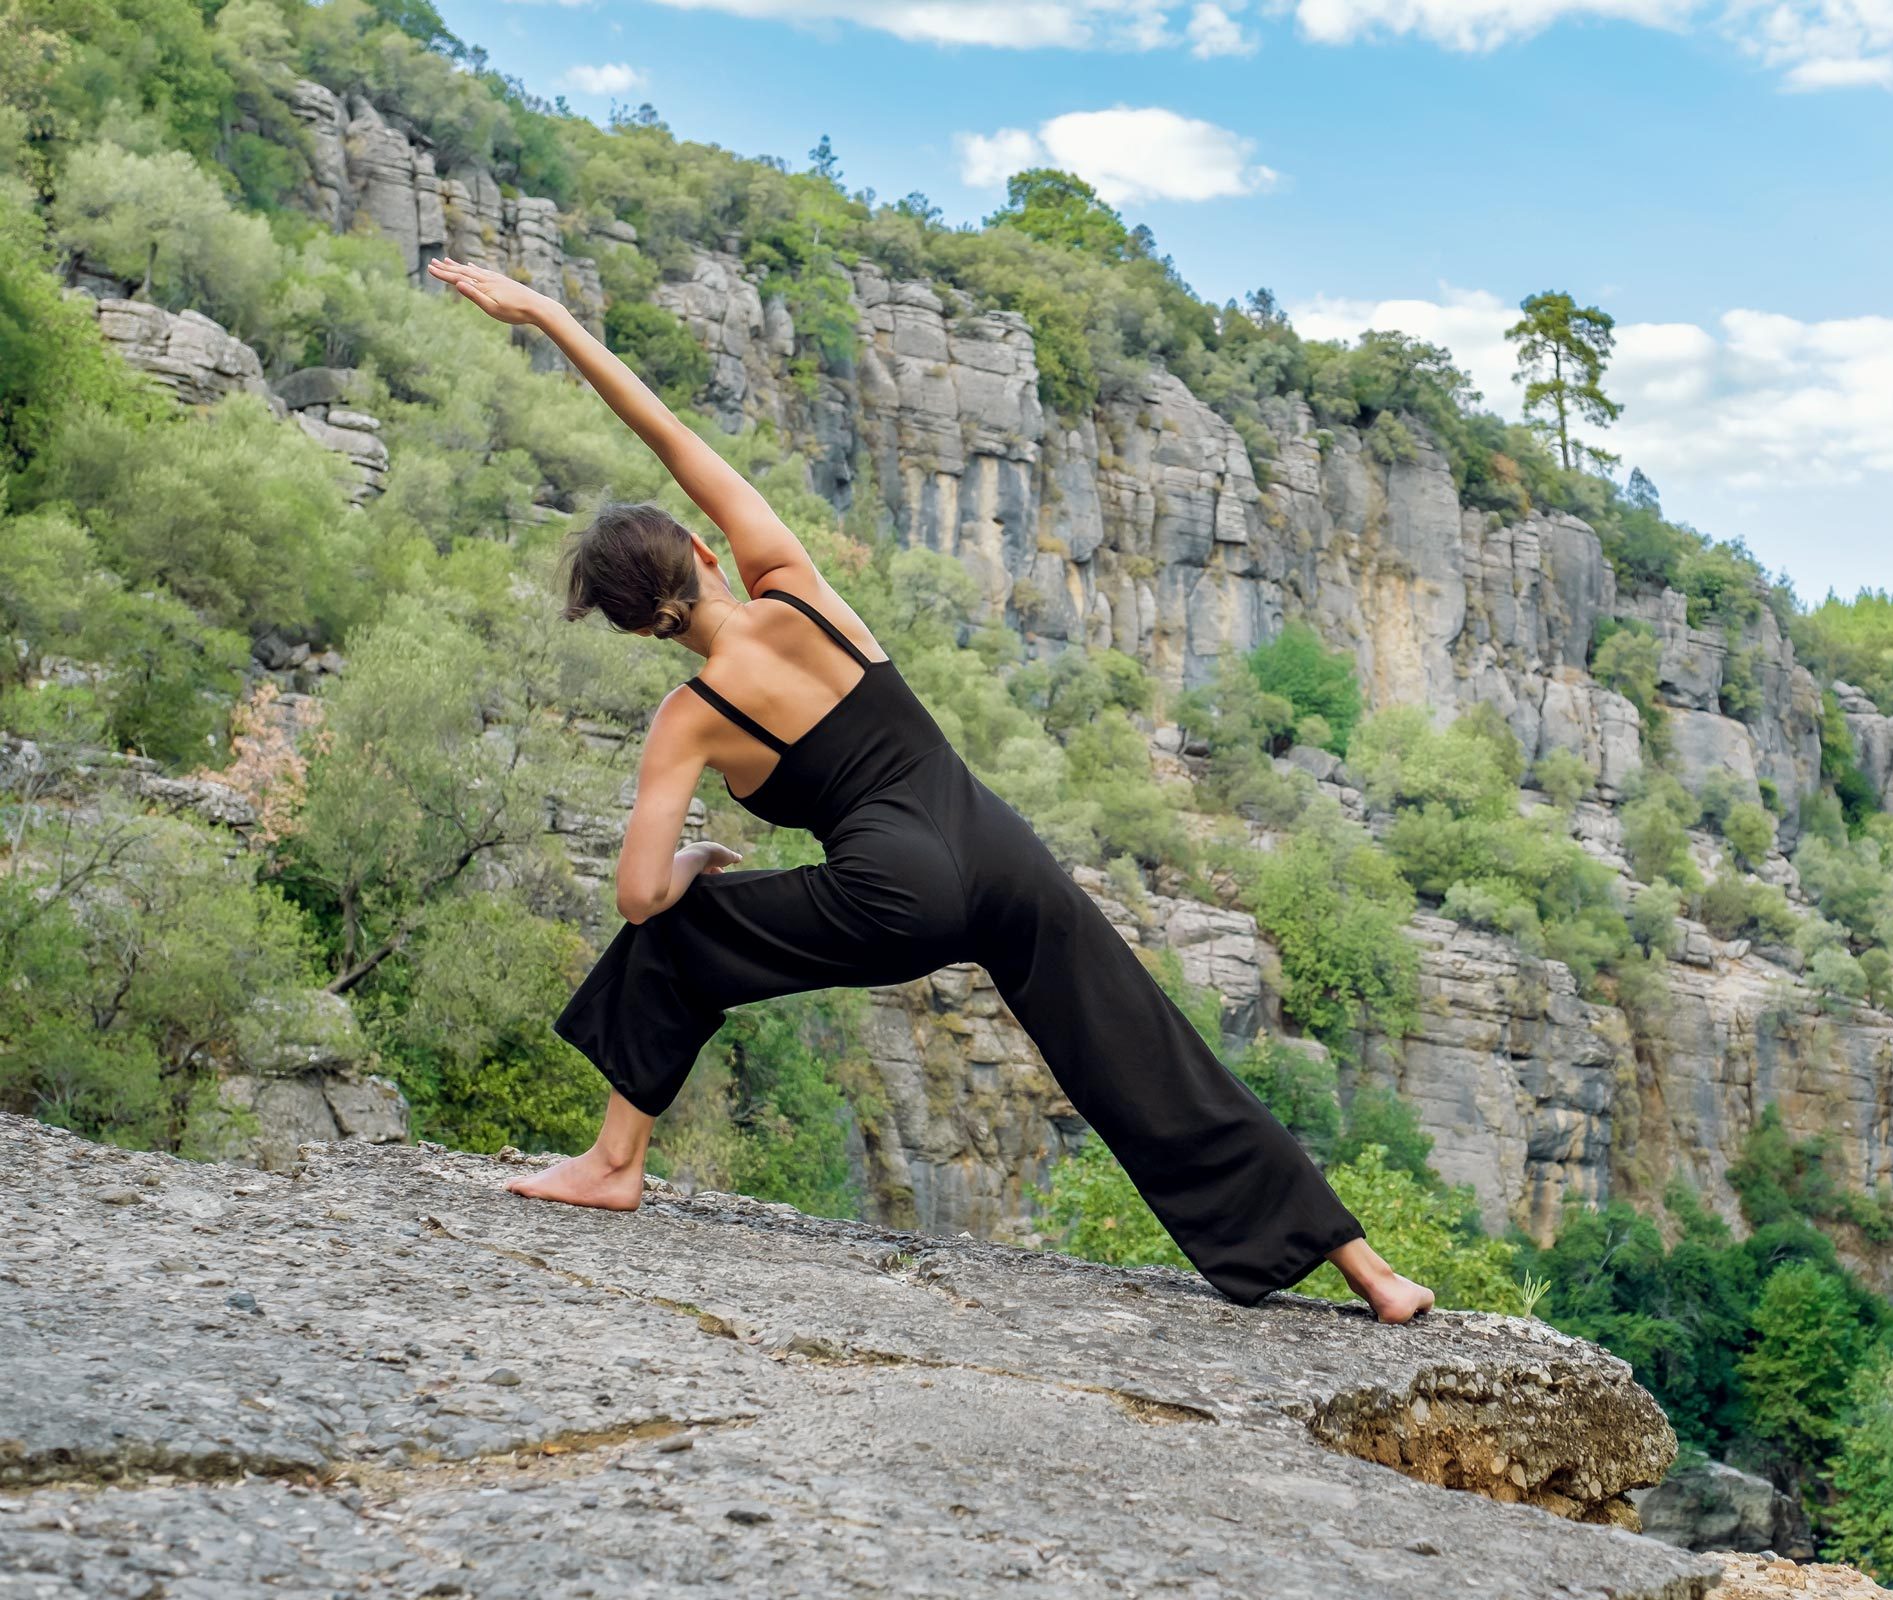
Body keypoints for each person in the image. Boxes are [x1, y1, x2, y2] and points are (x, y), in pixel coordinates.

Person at [427, 257, 1434, 1322]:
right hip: (1001, 852)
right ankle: (1367, 1268)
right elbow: (670, 436)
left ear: (637, 627)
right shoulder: (795, 587)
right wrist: (548, 314)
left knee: (676, 942)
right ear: (702, 551)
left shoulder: (691, 716)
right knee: (1145, 1046)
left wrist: (687, 866)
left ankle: (613, 1162)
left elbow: (638, 898)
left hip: (891, 896)